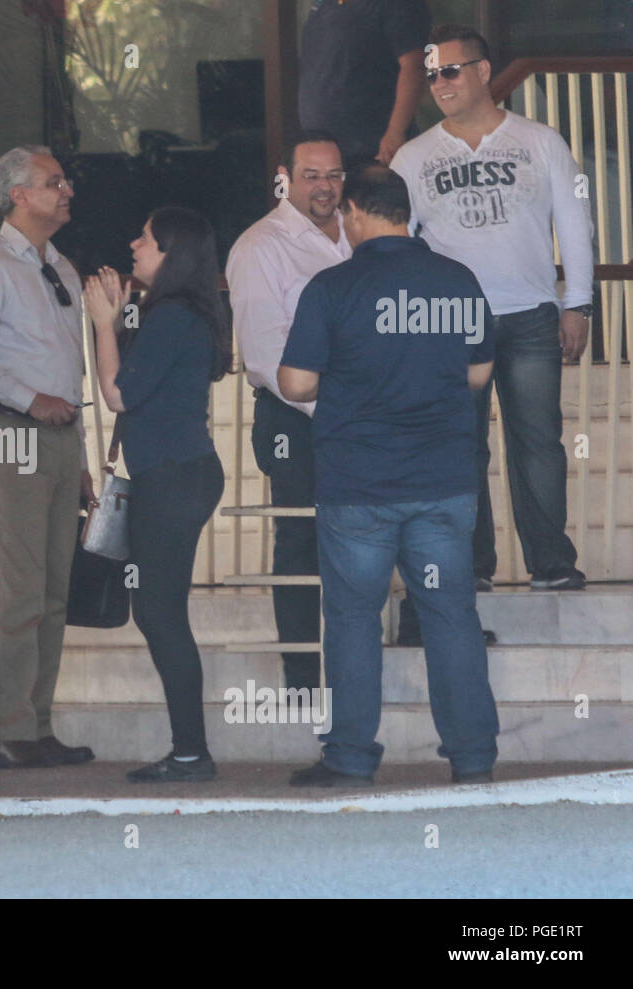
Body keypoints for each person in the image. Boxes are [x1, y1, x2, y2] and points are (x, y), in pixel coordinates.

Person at [278, 165, 499, 786]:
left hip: (359, 487)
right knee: (451, 615)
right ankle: (473, 758)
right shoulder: (458, 281)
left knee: (351, 618)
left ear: (355, 213)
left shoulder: (333, 286)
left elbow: (294, 382)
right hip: (444, 482)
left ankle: (349, 758)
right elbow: (479, 374)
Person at [391, 23, 594, 595]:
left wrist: (577, 303)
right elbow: (400, 243)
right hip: (450, 324)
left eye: (450, 70)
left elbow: (575, 226)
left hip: (531, 313)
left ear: (483, 72)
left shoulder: (541, 141)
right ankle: (470, 564)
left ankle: (552, 564)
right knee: (460, 446)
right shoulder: (412, 156)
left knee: (539, 442)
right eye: (431, 74)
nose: (438, 83)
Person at [0, 145, 97, 770]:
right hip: (11, 437)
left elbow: (71, 368)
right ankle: (8, 728)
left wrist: (82, 455)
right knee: (17, 594)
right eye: (52, 182)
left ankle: (37, 724)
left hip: (60, 442)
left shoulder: (58, 263)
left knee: (54, 591)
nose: (66, 191)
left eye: (63, 182)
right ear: (18, 195)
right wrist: (30, 400)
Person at [85, 207, 232, 782]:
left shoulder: (172, 316)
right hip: (177, 471)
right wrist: (118, 314)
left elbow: (120, 394)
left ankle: (191, 753)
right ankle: (190, 750)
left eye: (145, 237)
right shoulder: (177, 312)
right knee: (157, 610)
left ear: (172, 255)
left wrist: (101, 323)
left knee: (159, 611)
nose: (134, 242)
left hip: (172, 474)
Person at [225, 131, 351, 690]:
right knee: (301, 539)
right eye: (312, 175)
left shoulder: (360, 232)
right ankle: (302, 671)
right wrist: (334, 410)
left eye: (334, 175)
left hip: (359, 415)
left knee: (377, 530)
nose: (325, 187)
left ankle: (387, 640)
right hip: (295, 419)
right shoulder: (260, 245)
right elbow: (265, 353)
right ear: (285, 177)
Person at [298, 0, 431, 165]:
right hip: (323, 152)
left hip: (372, 151)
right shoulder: (323, 4)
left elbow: (414, 66)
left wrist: (396, 132)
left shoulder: (398, 4)